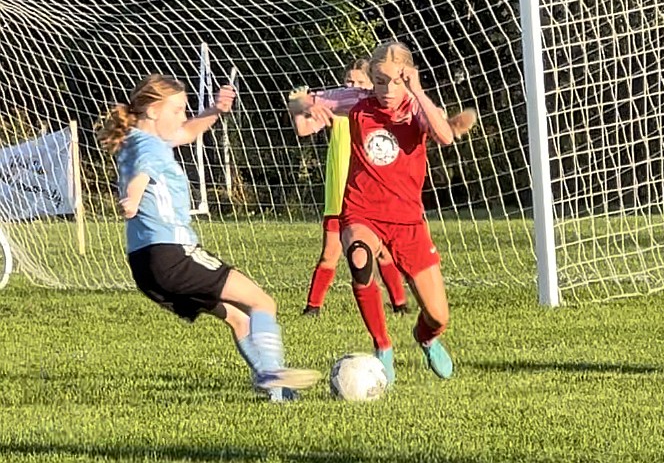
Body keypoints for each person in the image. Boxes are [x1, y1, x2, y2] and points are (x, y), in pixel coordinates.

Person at [97, 73, 320, 401]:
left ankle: (277, 391)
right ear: (154, 111)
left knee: (239, 320)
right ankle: (273, 378)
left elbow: (185, 133)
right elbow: (142, 173)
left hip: (144, 263)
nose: (183, 117)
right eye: (177, 110)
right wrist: (132, 197)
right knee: (263, 303)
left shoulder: (134, 138)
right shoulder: (149, 148)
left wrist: (213, 110)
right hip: (173, 254)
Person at [289, 43, 477, 385]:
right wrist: (302, 107)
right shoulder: (357, 102)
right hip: (362, 211)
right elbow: (302, 101)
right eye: (379, 81)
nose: (386, 90)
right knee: (359, 258)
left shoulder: (415, 107)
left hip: (408, 222)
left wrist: (417, 90)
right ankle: (383, 346)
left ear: (407, 78)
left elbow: (445, 136)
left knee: (437, 316)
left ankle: (426, 338)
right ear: (371, 79)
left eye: (394, 81)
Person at [292, 58, 409, 317]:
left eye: (359, 82)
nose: (352, 86)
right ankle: (312, 308)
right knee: (329, 253)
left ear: (370, 85)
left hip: (369, 194)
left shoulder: (372, 114)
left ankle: (400, 304)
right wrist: (298, 99)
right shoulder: (336, 113)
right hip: (338, 195)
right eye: (348, 81)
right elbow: (302, 129)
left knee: (382, 252)